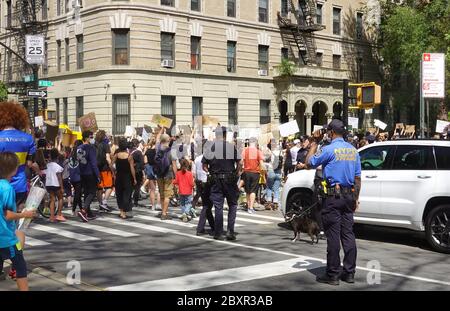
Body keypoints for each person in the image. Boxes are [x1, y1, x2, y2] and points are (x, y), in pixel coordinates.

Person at [304, 119, 361, 286]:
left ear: (331, 132)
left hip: (333, 198)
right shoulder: (353, 150)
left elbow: (309, 163)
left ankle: (333, 274)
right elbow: (357, 178)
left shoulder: (328, 149)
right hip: (349, 196)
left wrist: (314, 142)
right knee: (348, 234)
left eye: (328, 132)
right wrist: (356, 198)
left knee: (333, 236)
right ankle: (349, 272)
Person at [0, 152, 35, 290]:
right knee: (20, 265)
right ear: (14, 169)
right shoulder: (7, 188)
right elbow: (7, 215)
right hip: (5, 238)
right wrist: (24, 214)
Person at [202, 126, 241, 241]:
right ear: (225, 134)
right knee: (233, 204)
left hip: (215, 179)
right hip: (230, 179)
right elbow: (239, 162)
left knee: (218, 206)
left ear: (216, 135)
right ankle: (230, 231)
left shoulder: (210, 147)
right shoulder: (231, 147)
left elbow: (204, 166)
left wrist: (210, 172)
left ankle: (218, 232)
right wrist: (237, 173)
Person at [0, 102, 39, 210]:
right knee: (17, 216)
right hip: (20, 185)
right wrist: (39, 171)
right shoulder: (28, 139)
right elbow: (30, 163)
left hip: (2, 186)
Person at [77, 130, 100, 222]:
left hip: (82, 173)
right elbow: (94, 163)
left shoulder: (79, 148)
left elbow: (78, 160)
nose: (92, 138)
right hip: (90, 172)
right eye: (91, 137)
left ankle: (88, 212)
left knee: (86, 192)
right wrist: (98, 175)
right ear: (87, 138)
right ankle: (84, 210)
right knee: (92, 192)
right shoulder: (91, 148)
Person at [154, 130, 178, 220]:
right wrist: (176, 177)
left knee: (162, 193)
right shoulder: (172, 151)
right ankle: (164, 213)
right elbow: (174, 165)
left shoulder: (157, 148)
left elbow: (157, 138)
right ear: (168, 141)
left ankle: (164, 211)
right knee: (168, 194)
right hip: (168, 174)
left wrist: (162, 129)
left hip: (159, 174)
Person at [193, 142, 215, 235]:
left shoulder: (197, 158)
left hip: (199, 182)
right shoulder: (209, 158)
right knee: (207, 205)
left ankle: (213, 225)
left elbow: (194, 173)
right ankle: (200, 228)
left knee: (207, 205)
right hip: (207, 183)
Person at [112, 138, 137, 219]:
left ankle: (121, 212)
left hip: (118, 176)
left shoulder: (116, 155)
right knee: (127, 194)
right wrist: (134, 178)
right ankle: (124, 211)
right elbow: (132, 168)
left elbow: (110, 165)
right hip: (127, 177)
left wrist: (113, 173)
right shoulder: (130, 156)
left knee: (119, 194)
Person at [241, 137, 264, 214]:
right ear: (255, 143)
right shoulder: (258, 151)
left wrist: (241, 169)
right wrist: (264, 172)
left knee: (247, 190)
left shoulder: (245, 151)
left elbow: (241, 161)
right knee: (253, 190)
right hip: (255, 172)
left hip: (246, 172)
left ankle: (248, 207)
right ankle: (251, 207)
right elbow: (261, 163)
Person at [44, 148, 66, 223]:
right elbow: (59, 178)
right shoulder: (58, 167)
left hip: (49, 184)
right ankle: (59, 214)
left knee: (52, 199)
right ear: (57, 156)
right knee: (60, 198)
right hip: (56, 184)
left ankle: (52, 216)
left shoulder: (48, 165)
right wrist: (62, 187)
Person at [95, 130, 113, 212]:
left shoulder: (94, 145)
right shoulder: (106, 145)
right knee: (109, 186)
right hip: (105, 168)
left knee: (99, 188)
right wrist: (112, 167)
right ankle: (104, 202)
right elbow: (108, 158)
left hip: (96, 169)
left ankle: (100, 203)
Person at [265, 140, 283, 210]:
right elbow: (282, 162)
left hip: (271, 170)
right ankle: (275, 203)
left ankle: (269, 202)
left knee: (269, 187)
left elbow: (266, 160)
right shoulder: (280, 151)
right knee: (276, 188)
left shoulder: (270, 152)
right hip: (278, 172)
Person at [142, 137, 159, 210]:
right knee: (159, 189)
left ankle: (153, 206)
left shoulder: (148, 151)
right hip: (158, 170)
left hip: (150, 170)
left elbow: (145, 162)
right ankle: (158, 204)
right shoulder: (158, 151)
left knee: (152, 189)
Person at [69, 140, 83, 216]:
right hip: (78, 176)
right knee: (78, 194)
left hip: (72, 176)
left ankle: (81, 209)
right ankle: (74, 209)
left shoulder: (71, 154)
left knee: (78, 193)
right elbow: (84, 163)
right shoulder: (79, 154)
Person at [130, 138, 145, 207]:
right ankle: (135, 201)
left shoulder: (128, 151)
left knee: (130, 186)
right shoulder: (138, 152)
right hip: (137, 171)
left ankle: (129, 200)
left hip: (129, 171)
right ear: (137, 144)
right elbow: (142, 163)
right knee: (137, 187)